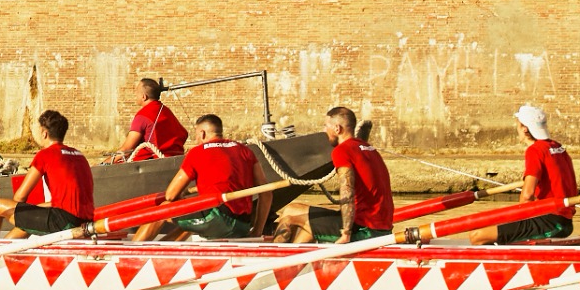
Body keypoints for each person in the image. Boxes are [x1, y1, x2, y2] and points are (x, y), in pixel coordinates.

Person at [130, 114, 269, 242]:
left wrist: (181, 195)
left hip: (217, 220)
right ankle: (164, 251)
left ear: (202, 133)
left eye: (196, 135)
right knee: (190, 217)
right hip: (243, 225)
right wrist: (257, 230)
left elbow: (171, 195)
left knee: (163, 209)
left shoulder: (197, 153)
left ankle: (133, 252)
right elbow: (266, 192)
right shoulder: (245, 150)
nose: (196, 139)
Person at [273, 106, 393, 243]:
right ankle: (296, 261)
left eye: (326, 126)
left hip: (363, 230)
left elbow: (346, 191)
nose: (324, 130)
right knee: (292, 209)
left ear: (337, 128)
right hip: (380, 226)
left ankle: (270, 261)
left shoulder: (342, 151)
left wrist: (346, 233)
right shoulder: (370, 150)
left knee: (288, 220)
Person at [470, 105, 578, 245]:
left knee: (477, 236)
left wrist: (516, 220)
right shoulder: (558, 147)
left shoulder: (535, 151)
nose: (517, 129)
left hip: (550, 222)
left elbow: (527, 196)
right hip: (565, 221)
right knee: (490, 229)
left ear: (525, 128)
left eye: (518, 125)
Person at [0, 109, 94, 238]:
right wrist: (36, 208)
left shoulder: (45, 155)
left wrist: (17, 213)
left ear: (44, 133)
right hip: (86, 220)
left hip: (63, 221)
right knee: (29, 220)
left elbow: (20, 197)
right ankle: (1, 254)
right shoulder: (80, 156)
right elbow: (73, 199)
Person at [107, 77, 188, 162]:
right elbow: (184, 134)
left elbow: (126, 150)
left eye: (136, 92)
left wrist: (103, 164)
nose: (135, 94)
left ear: (144, 97)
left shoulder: (142, 116)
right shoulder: (166, 111)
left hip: (152, 162)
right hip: (176, 160)